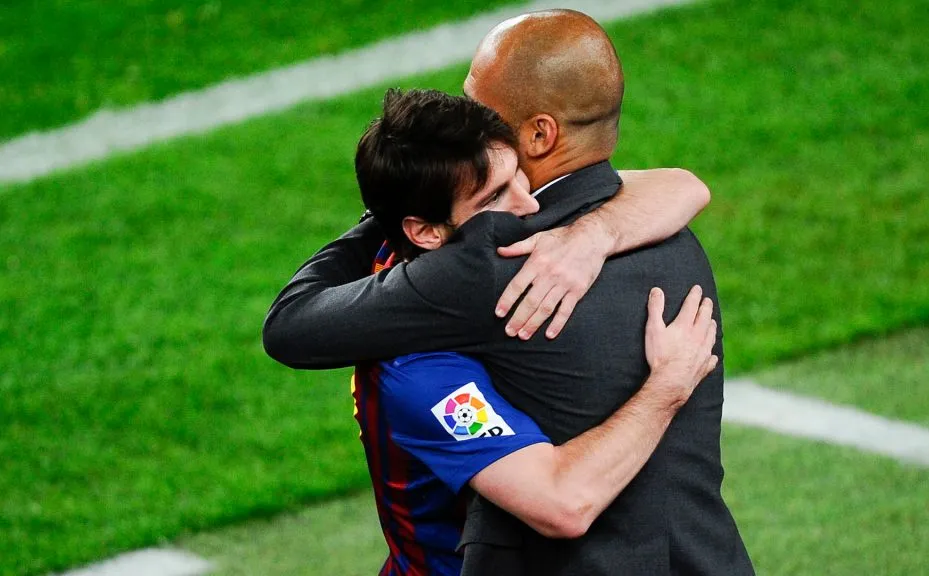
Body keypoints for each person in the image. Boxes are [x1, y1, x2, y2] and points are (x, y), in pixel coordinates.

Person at [264, 9, 754, 576]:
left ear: (538, 133)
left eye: (478, 104)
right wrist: (600, 228)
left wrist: (394, 203)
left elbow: (292, 327)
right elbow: (681, 183)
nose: (465, 115)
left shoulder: (483, 267)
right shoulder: (675, 238)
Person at [349, 88, 719, 575]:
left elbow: (681, 186)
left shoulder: (439, 257)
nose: (531, 204)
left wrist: (596, 231)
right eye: (496, 196)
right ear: (425, 233)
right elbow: (564, 505)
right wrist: (667, 386)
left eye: (517, 174)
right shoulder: (419, 371)